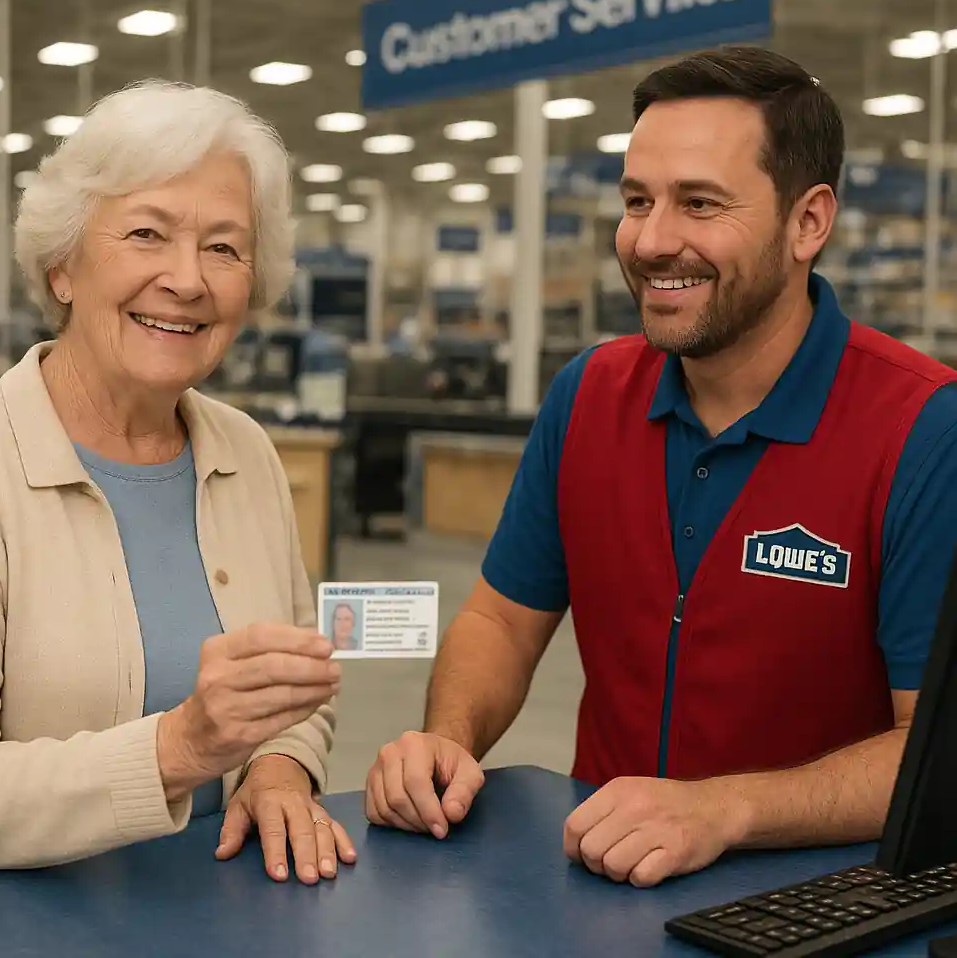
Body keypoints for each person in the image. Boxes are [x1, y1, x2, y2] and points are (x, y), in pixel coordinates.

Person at [366, 45, 957, 888]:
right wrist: (446, 741)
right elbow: (500, 622)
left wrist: (724, 810)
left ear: (808, 222)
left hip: (817, 909)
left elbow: (931, 750)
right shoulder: (590, 396)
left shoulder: (923, 432)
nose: (650, 241)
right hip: (603, 887)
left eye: (700, 204)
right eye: (637, 201)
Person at [0, 80, 356, 885]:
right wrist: (181, 749)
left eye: (225, 247)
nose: (188, 280)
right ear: (62, 265)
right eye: (146, 233)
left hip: (224, 916)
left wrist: (278, 767)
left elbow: (293, 693)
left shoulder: (247, 453)